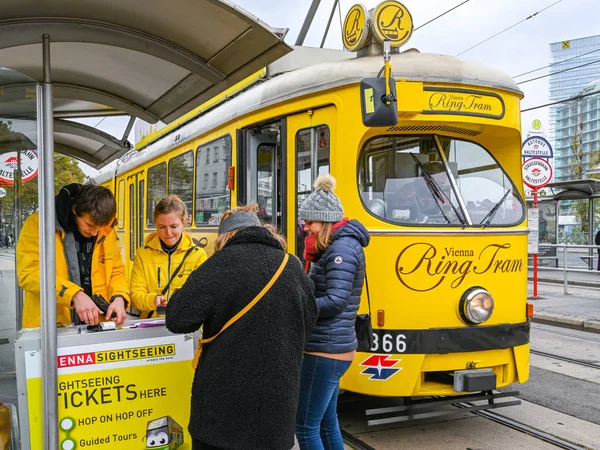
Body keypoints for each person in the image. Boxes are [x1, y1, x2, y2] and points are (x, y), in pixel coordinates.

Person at [165, 203, 317, 450]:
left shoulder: (219, 265)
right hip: (276, 416)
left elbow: (178, 318)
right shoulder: (291, 266)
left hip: (222, 417)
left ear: (224, 237)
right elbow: (308, 323)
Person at [295, 174, 370, 450]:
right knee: (326, 423)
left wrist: (299, 305)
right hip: (330, 345)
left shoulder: (342, 248)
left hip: (325, 349)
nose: (305, 228)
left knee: (305, 427)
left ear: (325, 221)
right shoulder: (331, 246)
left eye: (309, 222)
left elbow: (336, 300)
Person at [17, 183, 130, 328]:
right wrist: (74, 294)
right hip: (50, 328)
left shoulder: (106, 230)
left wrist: (119, 297)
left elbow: (116, 270)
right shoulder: (38, 225)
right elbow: (29, 274)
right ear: (75, 210)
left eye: (100, 227)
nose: (95, 232)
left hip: (99, 325)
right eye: (90, 225)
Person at [130, 196, 207, 318]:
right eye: (162, 227)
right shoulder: (142, 254)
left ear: (183, 223)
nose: (168, 233)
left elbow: (203, 296)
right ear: (155, 225)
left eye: (174, 226)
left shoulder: (198, 255)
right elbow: (135, 295)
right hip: (152, 327)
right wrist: (152, 300)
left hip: (185, 327)